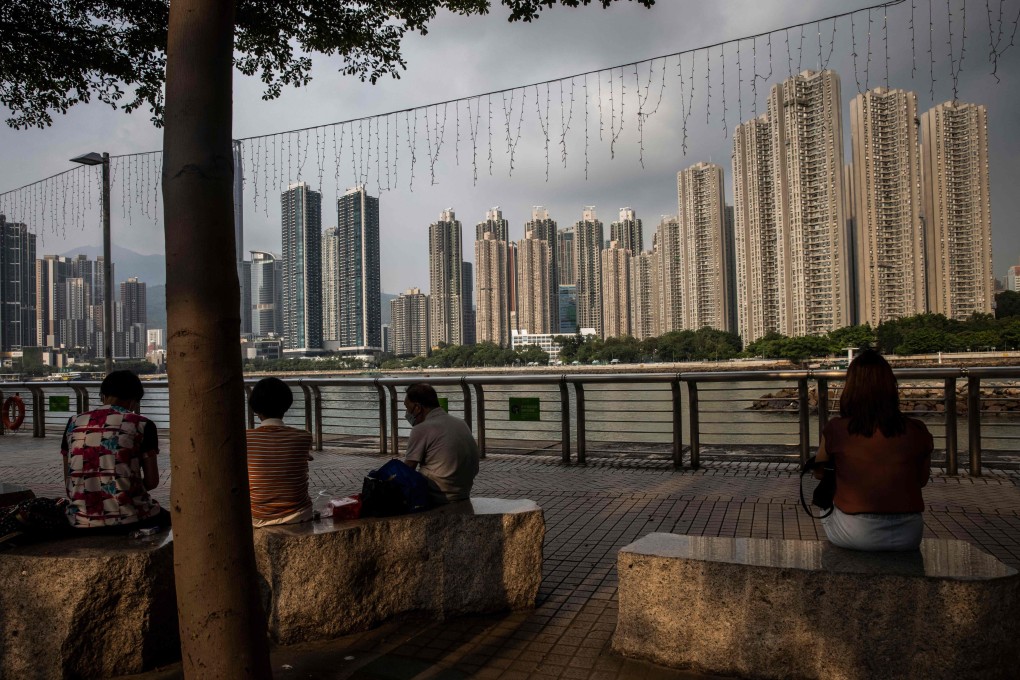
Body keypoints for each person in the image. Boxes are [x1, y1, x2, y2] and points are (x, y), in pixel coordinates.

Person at [815, 349, 933, 551]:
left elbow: (818, 473)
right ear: (891, 387)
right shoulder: (917, 429)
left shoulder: (837, 428)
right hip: (909, 534)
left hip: (855, 532)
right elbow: (921, 481)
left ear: (851, 388)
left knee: (824, 501)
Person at [61, 370, 169, 531]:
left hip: (79, 521)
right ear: (134, 400)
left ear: (103, 395)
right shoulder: (142, 424)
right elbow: (152, 481)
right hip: (130, 518)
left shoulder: (74, 422)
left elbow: (69, 478)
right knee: (168, 519)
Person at [246, 377, 314, 527]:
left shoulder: (246, 438)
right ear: (286, 406)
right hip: (299, 514)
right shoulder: (303, 437)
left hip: (259, 516)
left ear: (256, 409)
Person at [403, 383, 479, 504]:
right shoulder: (461, 423)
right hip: (463, 492)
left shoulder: (421, 429)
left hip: (437, 494)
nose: (407, 414)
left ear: (418, 408)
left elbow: (407, 469)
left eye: (408, 408)